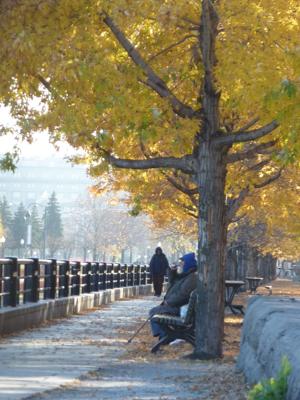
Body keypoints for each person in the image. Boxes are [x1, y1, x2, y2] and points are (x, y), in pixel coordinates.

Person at [149, 252, 197, 343]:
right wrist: (171, 271)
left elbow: (182, 295)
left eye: (182, 264)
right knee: (155, 311)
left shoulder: (192, 278)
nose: (180, 265)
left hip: (180, 309)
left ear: (188, 264)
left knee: (154, 311)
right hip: (179, 307)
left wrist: (169, 302)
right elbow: (172, 283)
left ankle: (165, 336)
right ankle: (164, 335)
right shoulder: (186, 275)